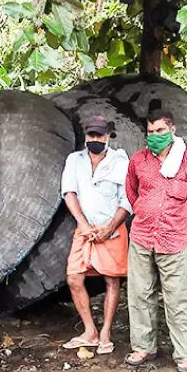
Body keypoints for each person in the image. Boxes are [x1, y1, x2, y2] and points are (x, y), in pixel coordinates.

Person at [124, 110, 187, 372]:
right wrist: (144, 210)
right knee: (140, 294)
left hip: (173, 238)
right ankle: (143, 347)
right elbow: (131, 191)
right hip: (141, 235)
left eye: (160, 131)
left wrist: (183, 218)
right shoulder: (138, 160)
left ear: (172, 130)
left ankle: (186, 356)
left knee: (180, 298)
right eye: (150, 132)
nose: (155, 136)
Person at [59, 116, 131, 355]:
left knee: (112, 280)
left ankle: (106, 332)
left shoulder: (120, 161)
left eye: (99, 135)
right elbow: (69, 192)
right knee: (74, 278)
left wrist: (109, 227)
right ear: (86, 136)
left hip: (111, 230)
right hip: (85, 230)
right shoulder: (74, 160)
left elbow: (127, 200)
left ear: (108, 136)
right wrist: (84, 225)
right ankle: (89, 331)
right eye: (91, 135)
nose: (95, 140)